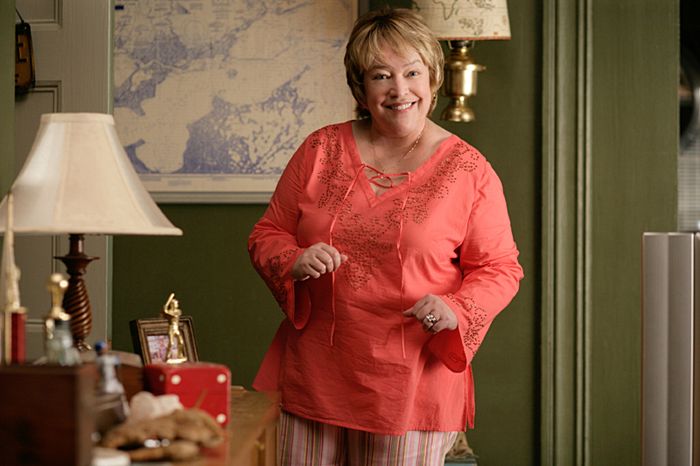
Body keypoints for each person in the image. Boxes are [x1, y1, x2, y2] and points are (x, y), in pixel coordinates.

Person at [248, 7, 524, 465]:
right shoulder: (319, 149)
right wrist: (293, 259)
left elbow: (501, 268)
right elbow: (268, 233)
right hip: (313, 374)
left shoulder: (469, 170)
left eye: (412, 72)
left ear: (433, 77)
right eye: (381, 76)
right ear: (360, 88)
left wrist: (456, 308)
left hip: (413, 382)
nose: (400, 90)